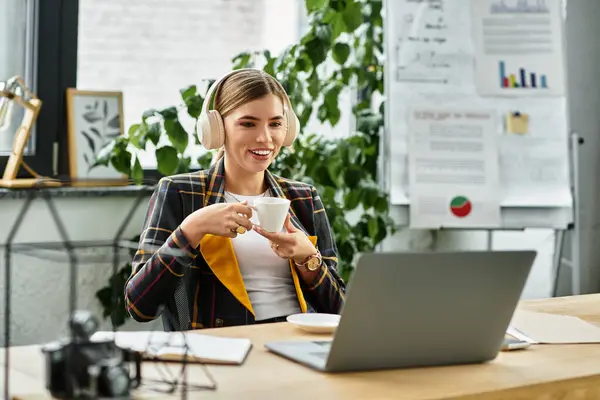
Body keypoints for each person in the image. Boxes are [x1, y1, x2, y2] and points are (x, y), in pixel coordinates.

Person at [124, 68, 346, 331]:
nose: (265, 137)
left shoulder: (303, 198)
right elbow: (139, 306)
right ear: (217, 130)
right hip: (221, 349)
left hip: (296, 343)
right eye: (248, 123)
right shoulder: (179, 192)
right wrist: (191, 229)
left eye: (275, 123)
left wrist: (309, 259)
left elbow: (340, 311)